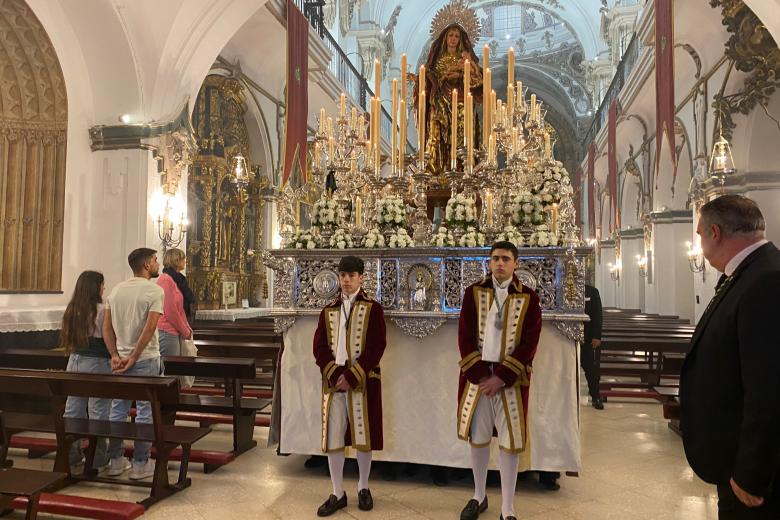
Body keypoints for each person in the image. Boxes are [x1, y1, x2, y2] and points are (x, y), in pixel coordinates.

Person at [680, 195, 780, 519]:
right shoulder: (745, 274)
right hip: (732, 458)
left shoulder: (766, 280)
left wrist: (751, 474)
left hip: (751, 476)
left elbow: (769, 388)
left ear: (716, 233)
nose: (700, 243)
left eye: (699, 234)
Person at [457, 241, 542, 520]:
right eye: (495, 258)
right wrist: (484, 377)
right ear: (489, 262)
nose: (500, 264)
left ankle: (508, 507)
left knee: (509, 442)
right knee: (478, 439)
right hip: (479, 380)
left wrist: (502, 377)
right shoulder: (473, 293)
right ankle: (478, 496)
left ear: (516, 263)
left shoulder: (530, 297)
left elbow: (530, 343)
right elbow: (465, 337)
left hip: (511, 382)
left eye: (506, 259)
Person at [312, 256, 387, 517]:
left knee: (363, 438)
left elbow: (377, 346)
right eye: (343, 275)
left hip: (362, 381)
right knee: (334, 438)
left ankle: (364, 487)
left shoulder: (373, 308)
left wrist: (353, 375)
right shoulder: (328, 310)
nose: (346, 280)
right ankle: (337, 492)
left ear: (361, 278)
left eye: (351, 275)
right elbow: (319, 347)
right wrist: (334, 374)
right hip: (334, 383)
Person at [103, 247, 165, 480]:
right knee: (145, 411)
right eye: (156, 260)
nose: (158, 263)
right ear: (147, 265)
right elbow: (149, 328)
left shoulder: (117, 291)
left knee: (117, 409)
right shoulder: (154, 291)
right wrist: (135, 356)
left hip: (120, 360)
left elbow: (106, 328)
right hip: (146, 358)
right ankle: (140, 463)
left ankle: (116, 461)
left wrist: (114, 355)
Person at [60, 270, 116, 474]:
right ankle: (98, 458)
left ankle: (70, 455)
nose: (104, 288)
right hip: (97, 363)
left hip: (74, 362)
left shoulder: (73, 308)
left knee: (73, 409)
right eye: (102, 284)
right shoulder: (102, 310)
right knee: (98, 411)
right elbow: (109, 336)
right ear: (96, 287)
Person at [419, 23, 482, 176]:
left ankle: (463, 169)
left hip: (461, 101)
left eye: (457, 36)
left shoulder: (466, 59)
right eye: (451, 35)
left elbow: (478, 81)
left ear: (460, 40)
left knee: (462, 133)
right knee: (436, 130)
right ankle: (438, 167)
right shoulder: (436, 60)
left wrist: (467, 68)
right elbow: (429, 79)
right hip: (441, 99)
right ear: (445, 38)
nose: (453, 39)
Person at [157, 248, 193, 357]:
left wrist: (186, 326)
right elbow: (171, 311)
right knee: (170, 370)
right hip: (167, 331)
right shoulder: (166, 280)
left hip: (174, 330)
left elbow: (179, 309)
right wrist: (185, 331)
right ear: (176, 261)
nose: (185, 261)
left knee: (175, 369)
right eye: (183, 259)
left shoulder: (176, 280)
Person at [582, 284, 604, 409]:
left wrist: (597, 336)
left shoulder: (592, 291)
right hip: (566, 339)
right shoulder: (561, 289)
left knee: (591, 369)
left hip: (587, 338)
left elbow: (597, 315)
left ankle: (596, 396)